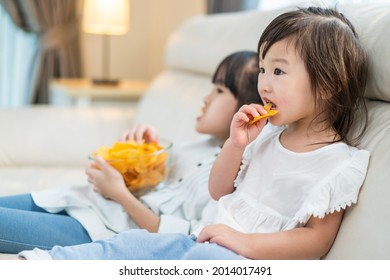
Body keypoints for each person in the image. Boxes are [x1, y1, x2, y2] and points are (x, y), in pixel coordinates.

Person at [18, 6, 370, 260]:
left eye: (278, 71)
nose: (264, 83)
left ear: (329, 84)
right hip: (203, 239)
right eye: (263, 69)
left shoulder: (339, 163)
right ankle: (45, 265)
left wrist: (244, 243)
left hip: (242, 259)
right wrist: (235, 145)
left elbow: (315, 242)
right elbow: (219, 190)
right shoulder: (265, 136)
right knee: (133, 246)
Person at [0, 51, 262, 254]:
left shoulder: (233, 178)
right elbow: (147, 185)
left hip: (98, 229)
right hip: (80, 199)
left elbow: (182, 238)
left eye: (218, 91)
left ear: (248, 107)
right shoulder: (195, 146)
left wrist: (119, 193)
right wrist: (141, 153)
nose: (205, 99)